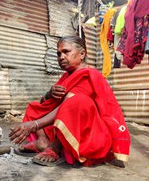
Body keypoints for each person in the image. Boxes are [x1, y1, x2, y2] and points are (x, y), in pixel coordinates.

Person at [9, 35, 131, 167]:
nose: (61, 57)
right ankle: (42, 141)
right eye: (58, 54)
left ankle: (55, 147)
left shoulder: (90, 75)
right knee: (36, 106)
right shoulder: (67, 76)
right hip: (64, 121)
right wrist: (49, 94)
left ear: (82, 53)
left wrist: (34, 124)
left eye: (66, 52)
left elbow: (68, 106)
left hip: (91, 133)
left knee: (77, 101)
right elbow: (46, 104)